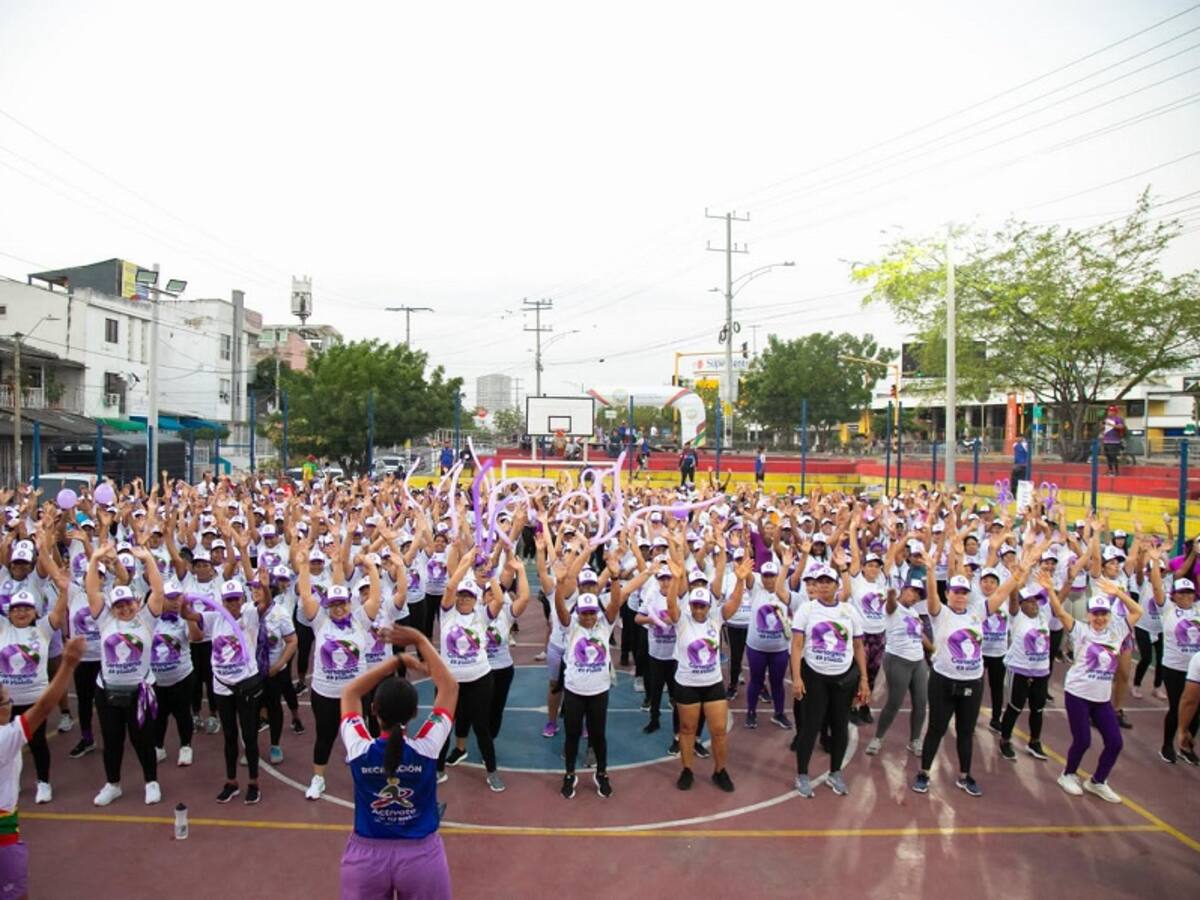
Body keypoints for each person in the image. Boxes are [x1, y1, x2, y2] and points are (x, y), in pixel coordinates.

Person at [339, 626, 457, 900]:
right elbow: (450, 687)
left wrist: (395, 662)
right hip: (421, 859)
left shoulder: (359, 748)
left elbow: (349, 694)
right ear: (415, 713)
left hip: (366, 860)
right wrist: (419, 640)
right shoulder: (427, 748)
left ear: (374, 710)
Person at [0, 635, 85, 899]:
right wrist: (68, 664)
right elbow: (45, 706)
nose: (10, 702)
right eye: (5, 701)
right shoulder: (5, 738)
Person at [85, 545, 165, 806]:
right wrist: (95, 558)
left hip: (139, 693)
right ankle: (113, 784)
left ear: (136, 602)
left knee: (143, 740)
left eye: (128, 603)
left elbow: (159, 591)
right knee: (112, 741)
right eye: (118, 605)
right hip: (108, 692)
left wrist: (148, 560)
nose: (123, 608)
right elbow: (92, 591)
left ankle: (151, 781)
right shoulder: (105, 621)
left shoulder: (146, 620)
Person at [1050, 580, 1141, 802]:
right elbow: (1060, 612)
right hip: (1078, 694)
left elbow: (1137, 610)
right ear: (1088, 614)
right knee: (1083, 740)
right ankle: (1068, 775)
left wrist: (1119, 593)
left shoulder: (1118, 630)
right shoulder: (1080, 629)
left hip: (1101, 699)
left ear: (1109, 615)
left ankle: (1097, 781)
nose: (1100, 618)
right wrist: (1049, 590)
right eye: (1095, 613)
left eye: (1104, 614)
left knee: (1115, 742)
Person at [664, 534, 737, 793]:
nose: (698, 610)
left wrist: (739, 579)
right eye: (695, 605)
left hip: (713, 684)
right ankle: (687, 770)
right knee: (687, 729)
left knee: (718, 731)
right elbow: (671, 606)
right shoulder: (682, 620)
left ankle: (720, 770)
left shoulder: (716, 619)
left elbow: (734, 602)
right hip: (687, 684)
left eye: (702, 605)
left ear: (708, 606)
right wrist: (675, 580)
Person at [790, 564, 868, 798]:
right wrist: (796, 677)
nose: (823, 585)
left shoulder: (848, 611)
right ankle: (802, 773)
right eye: (820, 581)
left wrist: (864, 678)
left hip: (843, 678)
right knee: (810, 726)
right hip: (814, 676)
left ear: (837, 586)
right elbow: (796, 644)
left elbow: (857, 646)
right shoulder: (807, 609)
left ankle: (835, 772)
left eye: (828, 581)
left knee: (840, 726)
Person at [1155, 574, 1199, 764]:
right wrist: (1156, 561)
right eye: (1181, 592)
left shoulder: (1198, 609)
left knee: (1196, 709)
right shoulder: (1168, 610)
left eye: (1189, 592)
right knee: (1176, 707)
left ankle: (1186, 745)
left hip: (1195, 670)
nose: (1186, 596)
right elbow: (1157, 588)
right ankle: (1167, 745)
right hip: (1174, 667)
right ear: (1174, 595)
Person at [1101, 405, 1125, 476]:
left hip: (1114, 441)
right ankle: (1110, 470)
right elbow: (1104, 428)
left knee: (1113, 456)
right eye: (1109, 411)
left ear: (1115, 412)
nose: (1110, 412)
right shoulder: (1106, 419)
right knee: (1108, 456)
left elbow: (1121, 426)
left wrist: (1111, 425)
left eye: (1111, 411)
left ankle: (1116, 471)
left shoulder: (1118, 419)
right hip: (1106, 440)